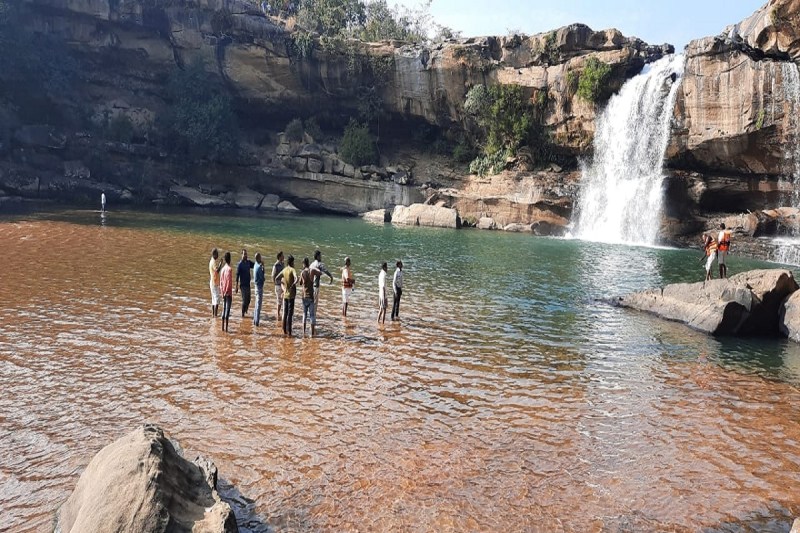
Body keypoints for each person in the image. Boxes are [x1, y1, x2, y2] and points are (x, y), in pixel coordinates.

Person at [298, 257, 321, 337]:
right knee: (312, 315)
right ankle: (312, 333)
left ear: (304, 264)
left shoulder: (302, 272)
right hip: (311, 296)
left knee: (304, 314)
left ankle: (304, 332)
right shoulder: (312, 270)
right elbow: (320, 273)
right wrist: (315, 268)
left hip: (304, 296)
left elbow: (300, 283)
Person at [235, 249, 255, 317]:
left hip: (248, 284)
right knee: (244, 300)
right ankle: (242, 314)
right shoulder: (240, 264)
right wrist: (236, 286)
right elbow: (237, 276)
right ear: (242, 255)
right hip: (242, 285)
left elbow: (255, 265)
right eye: (244, 254)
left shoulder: (248, 262)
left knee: (249, 299)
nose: (245, 255)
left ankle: (246, 309)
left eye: (246, 254)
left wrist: (260, 263)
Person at [281, 255, 298, 336]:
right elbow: (296, 278)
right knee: (290, 314)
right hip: (291, 295)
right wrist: (294, 283)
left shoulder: (284, 270)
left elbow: (277, 277)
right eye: (293, 262)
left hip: (285, 295)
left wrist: (283, 287)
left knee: (285, 313)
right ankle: (290, 332)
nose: (294, 263)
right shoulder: (292, 269)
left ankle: (284, 330)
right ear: (291, 262)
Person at [219, 252, 233, 332]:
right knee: (227, 310)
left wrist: (222, 292)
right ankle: (226, 329)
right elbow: (229, 282)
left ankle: (222, 328)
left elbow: (221, 282)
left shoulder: (223, 269)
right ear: (230, 259)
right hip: (228, 293)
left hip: (223, 292)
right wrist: (226, 292)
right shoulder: (229, 269)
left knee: (223, 309)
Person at [271, 251, 285, 322]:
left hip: (282, 284)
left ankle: (280, 313)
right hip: (278, 285)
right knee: (279, 300)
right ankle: (278, 314)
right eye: (282, 256)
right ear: (279, 257)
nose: (284, 257)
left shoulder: (282, 264)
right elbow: (273, 275)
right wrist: (275, 283)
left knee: (282, 300)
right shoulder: (275, 265)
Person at [209, 248, 222, 317]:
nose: (218, 256)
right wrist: (220, 264)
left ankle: (213, 314)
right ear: (214, 254)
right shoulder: (213, 262)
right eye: (217, 254)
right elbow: (217, 271)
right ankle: (215, 315)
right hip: (214, 283)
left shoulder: (211, 260)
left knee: (213, 299)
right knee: (216, 299)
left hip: (213, 281)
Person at [253, 253, 265, 326]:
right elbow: (263, 278)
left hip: (256, 286)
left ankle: (255, 320)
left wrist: (261, 266)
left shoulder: (255, 265)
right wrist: (263, 267)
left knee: (256, 304)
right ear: (258, 258)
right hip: (259, 287)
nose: (261, 258)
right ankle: (257, 322)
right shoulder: (259, 268)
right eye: (260, 257)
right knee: (258, 305)